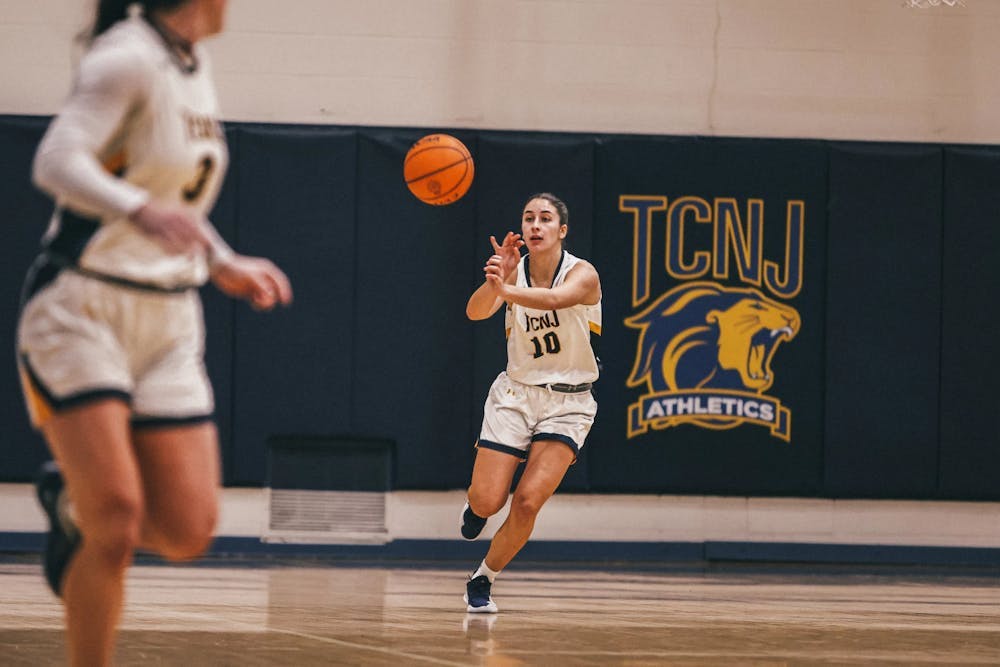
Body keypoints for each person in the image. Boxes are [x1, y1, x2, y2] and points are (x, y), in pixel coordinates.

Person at [16, 1, 292, 664]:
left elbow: (175, 198)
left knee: (187, 529)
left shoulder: (192, 64)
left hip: (169, 318)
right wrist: (138, 210)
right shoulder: (126, 56)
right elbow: (56, 160)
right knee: (115, 521)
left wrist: (221, 261)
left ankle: (71, 506)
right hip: (81, 307)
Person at [461, 193, 602, 613]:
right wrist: (496, 283)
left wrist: (507, 288)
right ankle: (476, 507)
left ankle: (484, 577)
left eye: (545, 218)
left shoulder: (583, 273)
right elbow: (475, 313)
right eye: (528, 218)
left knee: (526, 502)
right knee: (488, 500)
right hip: (516, 395)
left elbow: (555, 300)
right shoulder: (512, 271)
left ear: (562, 230)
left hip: (569, 404)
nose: (535, 225)